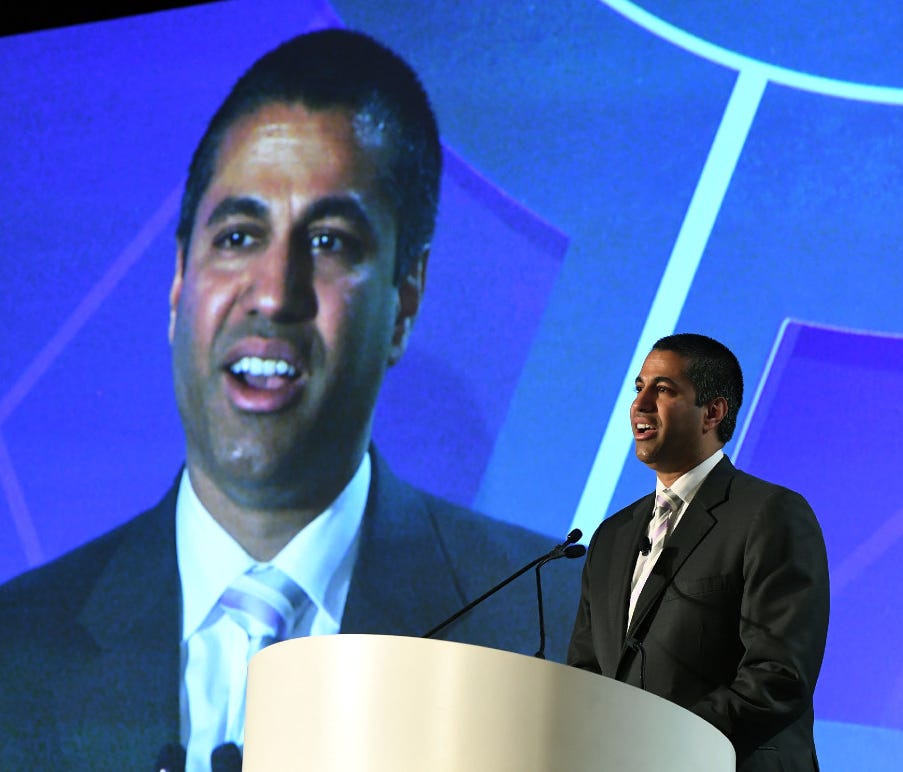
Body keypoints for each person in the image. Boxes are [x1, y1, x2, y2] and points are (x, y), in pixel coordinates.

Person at [0, 29, 580, 770]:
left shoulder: (556, 632)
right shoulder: (16, 655)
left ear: (406, 298)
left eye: (329, 242)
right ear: (179, 281)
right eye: (239, 237)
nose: (274, 295)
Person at [568, 333, 830, 771]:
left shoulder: (770, 514)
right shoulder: (612, 536)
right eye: (639, 388)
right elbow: (586, 673)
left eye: (663, 390)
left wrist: (665, 744)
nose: (640, 405)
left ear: (713, 412)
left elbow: (779, 676)